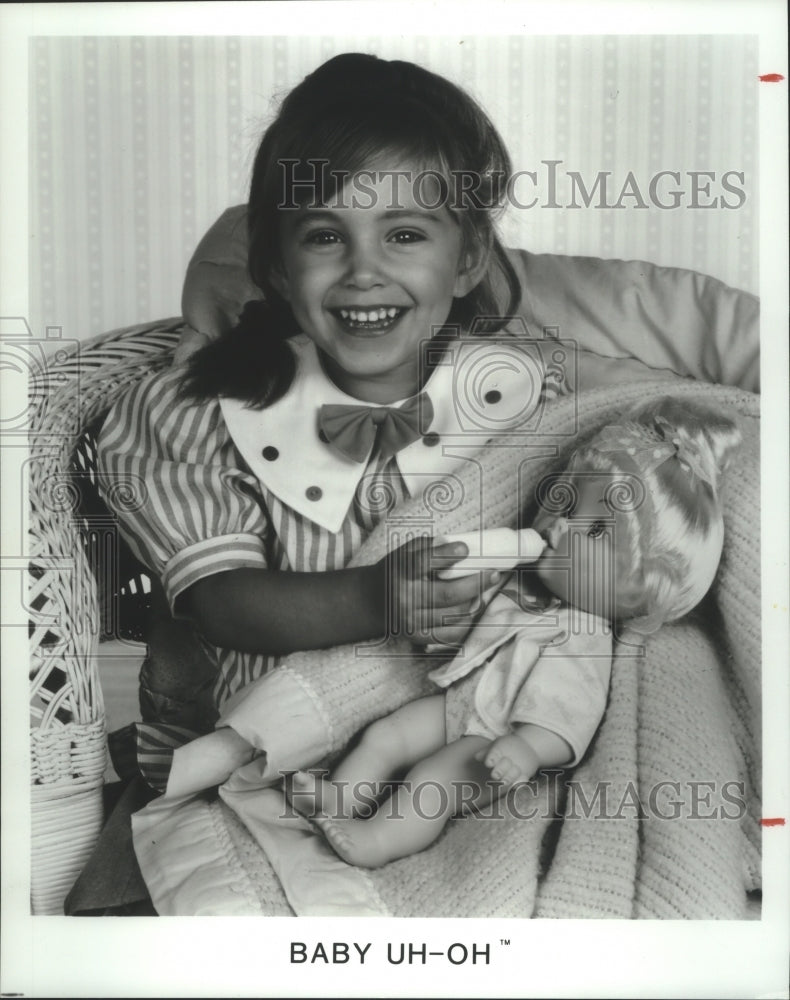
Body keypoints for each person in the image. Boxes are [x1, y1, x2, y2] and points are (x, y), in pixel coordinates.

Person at [97, 52, 572, 793]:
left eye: (405, 235)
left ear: (470, 256)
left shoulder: (525, 399)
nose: (362, 271)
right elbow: (216, 598)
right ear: (279, 265)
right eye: (324, 236)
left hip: (467, 759)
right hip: (266, 760)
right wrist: (373, 598)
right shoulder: (201, 412)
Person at [284, 396, 741, 868]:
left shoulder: (583, 637)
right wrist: (448, 630)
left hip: (496, 745)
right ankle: (338, 798)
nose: (563, 526)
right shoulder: (523, 584)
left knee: (433, 781)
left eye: (597, 529)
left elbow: (569, 713)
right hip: (459, 705)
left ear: (638, 587)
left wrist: (526, 748)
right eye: (569, 503)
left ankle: (377, 842)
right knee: (386, 735)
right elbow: (481, 636)